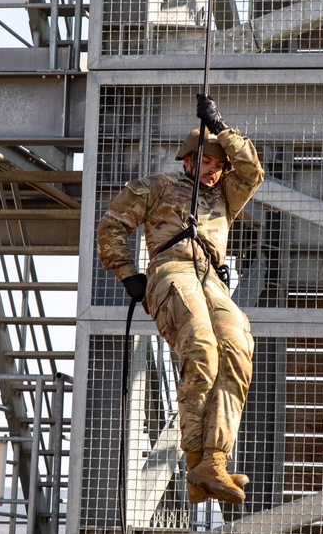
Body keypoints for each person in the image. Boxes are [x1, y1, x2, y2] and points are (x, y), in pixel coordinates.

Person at [97, 94, 265, 504]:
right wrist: (128, 274)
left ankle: (214, 460)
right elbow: (112, 225)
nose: (212, 171)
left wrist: (222, 128)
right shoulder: (157, 186)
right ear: (188, 159)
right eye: (205, 162)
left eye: (217, 165)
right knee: (203, 351)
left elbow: (252, 171)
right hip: (171, 272)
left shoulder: (226, 195)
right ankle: (195, 461)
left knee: (237, 349)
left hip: (212, 279)